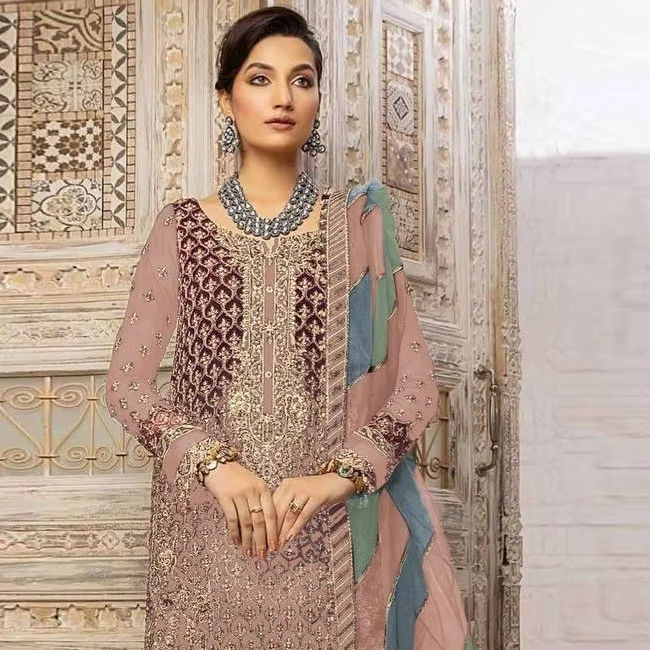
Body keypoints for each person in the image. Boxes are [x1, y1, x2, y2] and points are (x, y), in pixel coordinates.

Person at [106, 6, 472, 649]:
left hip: (330, 540)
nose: (283, 97)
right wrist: (213, 464)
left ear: (318, 101)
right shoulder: (181, 227)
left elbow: (415, 388)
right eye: (260, 79)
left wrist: (339, 475)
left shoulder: (357, 227)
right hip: (206, 539)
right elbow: (127, 386)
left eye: (302, 81)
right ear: (226, 99)